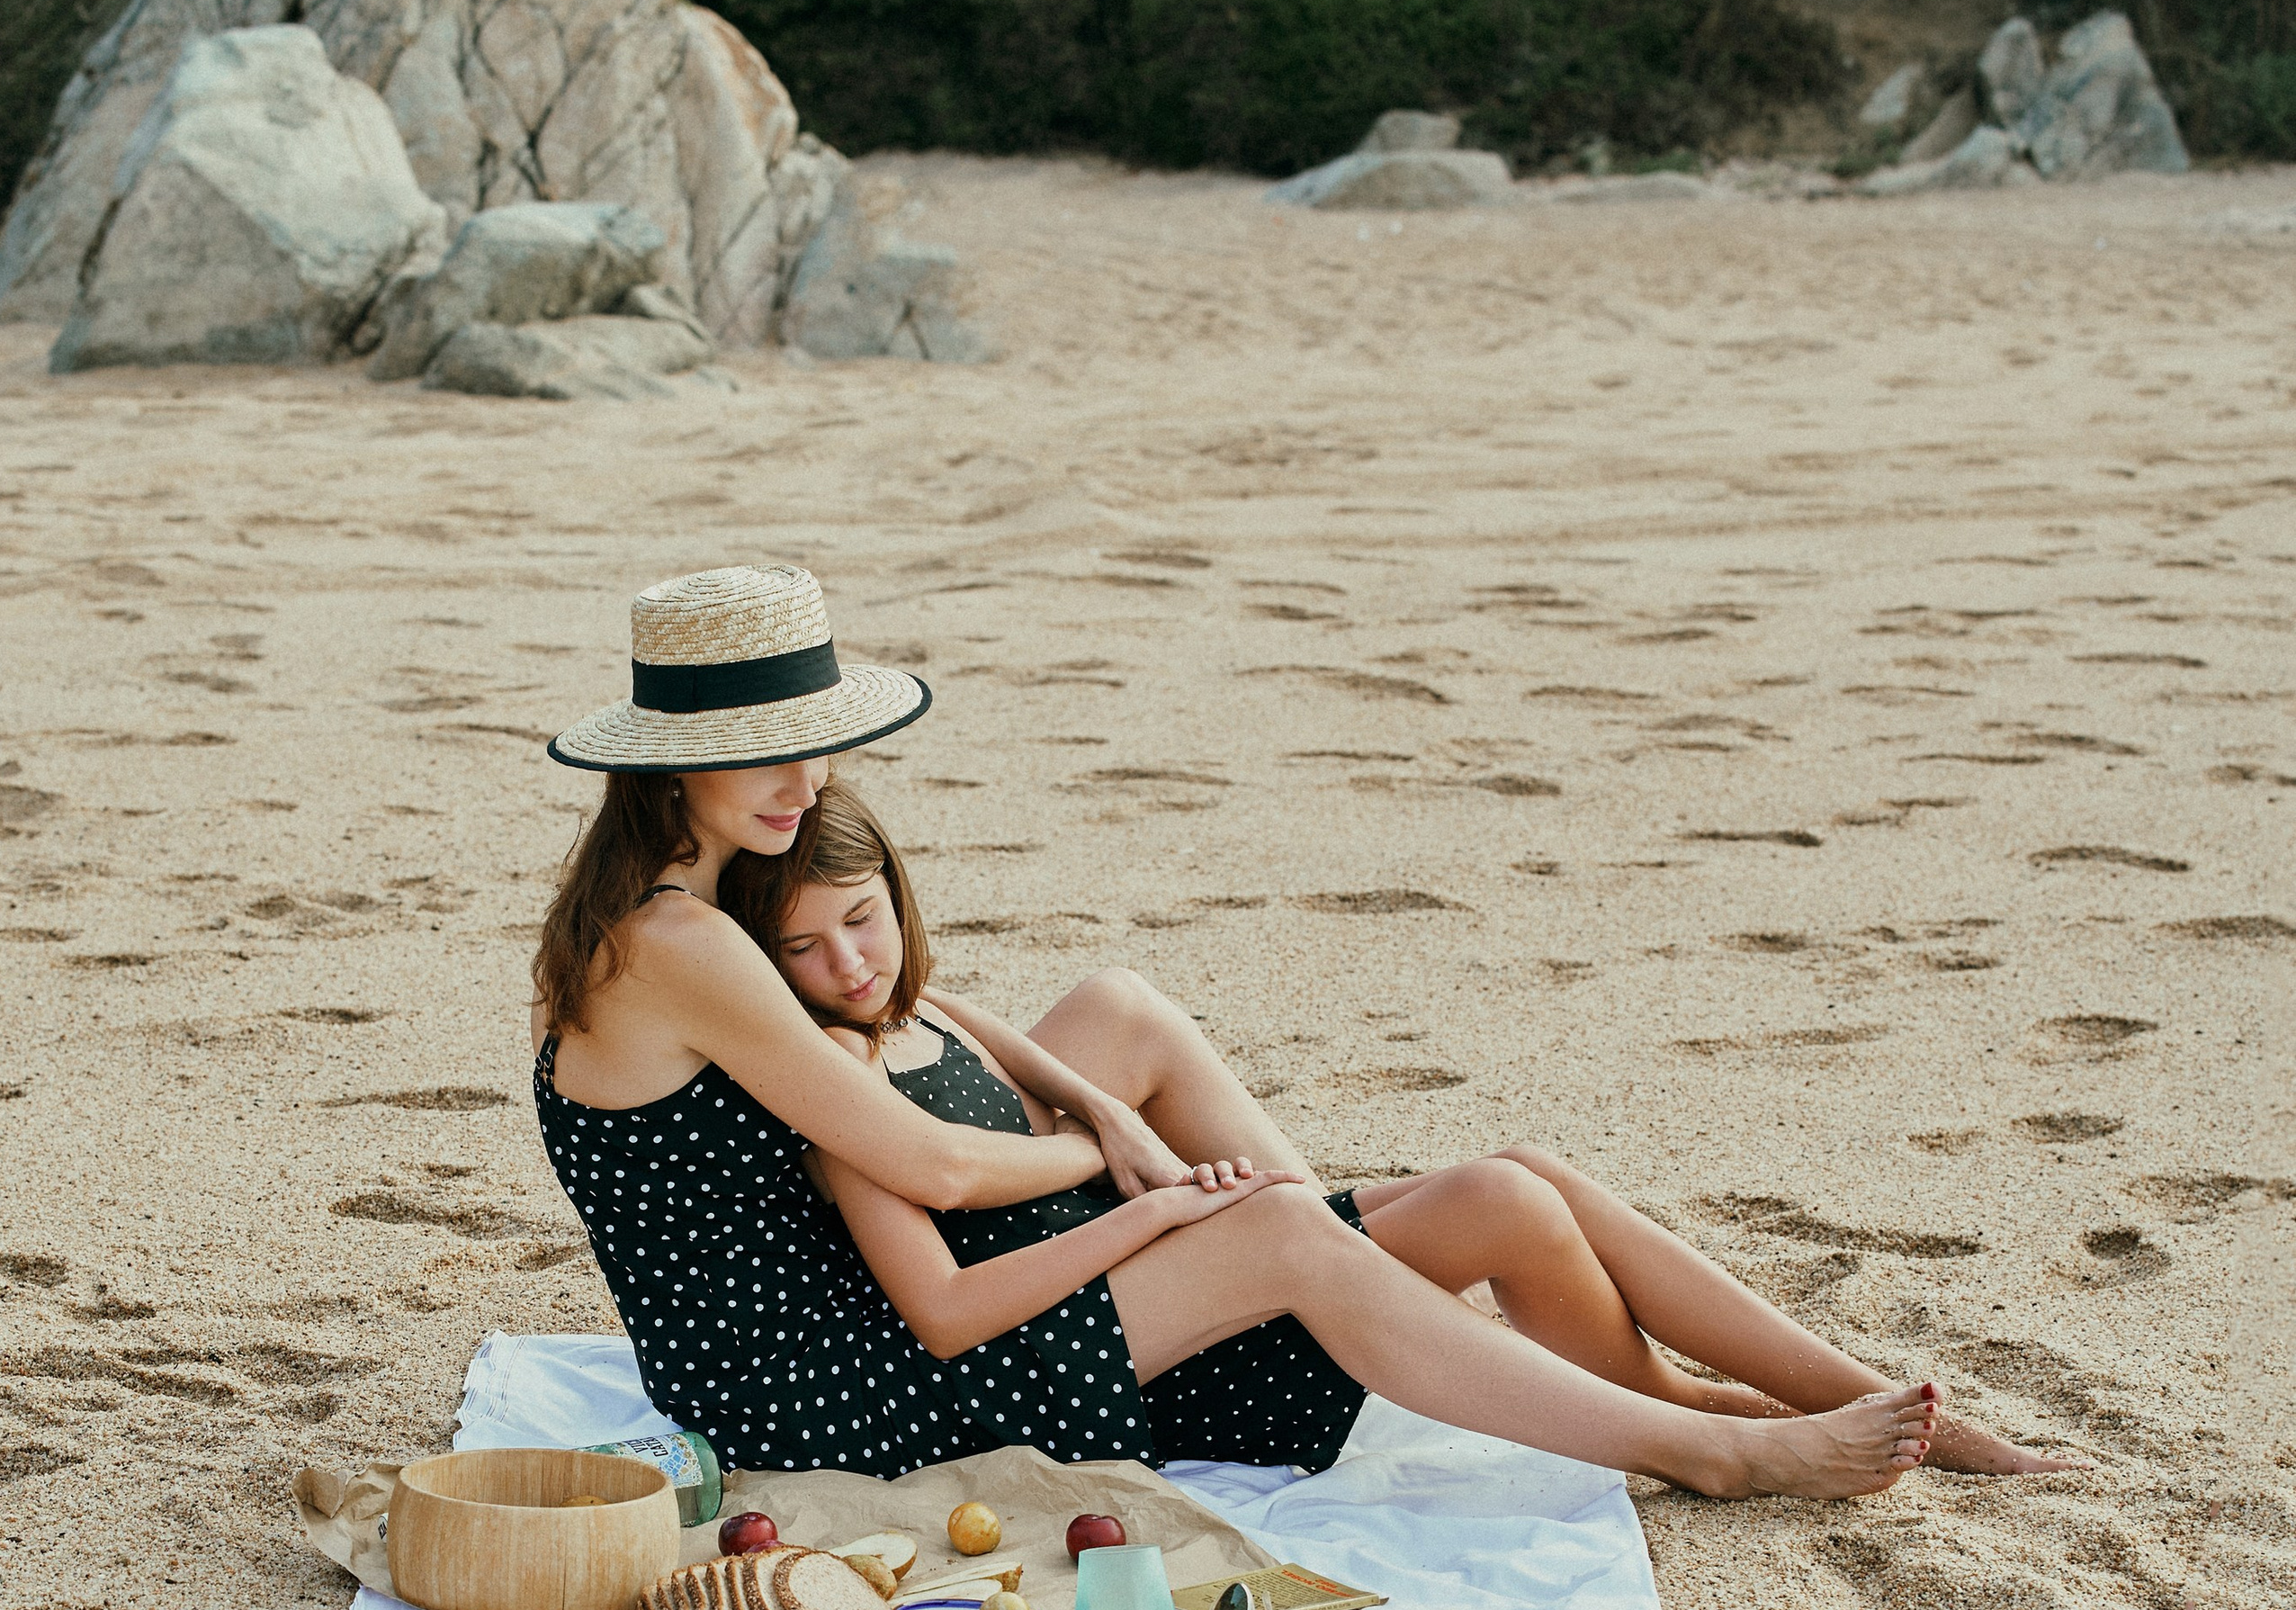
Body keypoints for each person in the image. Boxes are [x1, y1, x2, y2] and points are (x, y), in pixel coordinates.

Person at [533, 562, 1947, 1499]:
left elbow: (911, 1013)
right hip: (820, 1393)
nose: (805, 776)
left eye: (815, 737)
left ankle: (1325, 1271)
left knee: (1121, 1012)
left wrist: (1115, 1117)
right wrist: (1119, 1164)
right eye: (767, 747)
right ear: (675, 760)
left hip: (855, 1291)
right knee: (1265, 1229)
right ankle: (1696, 1446)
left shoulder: (681, 905)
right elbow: (945, 1174)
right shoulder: (683, 942)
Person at [755, 775, 2069, 1481]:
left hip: (1139, 1273)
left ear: (898, 896)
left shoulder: (901, 1005)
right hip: (1098, 1360)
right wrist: (1147, 1203)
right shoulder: (831, 1090)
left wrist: (1103, 1104)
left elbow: (951, 1011)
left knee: (1518, 1184)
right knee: (1396, 1212)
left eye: (864, 919)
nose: (850, 963)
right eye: (805, 950)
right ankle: (1703, 1438)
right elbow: (938, 1311)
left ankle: (1809, 1391)